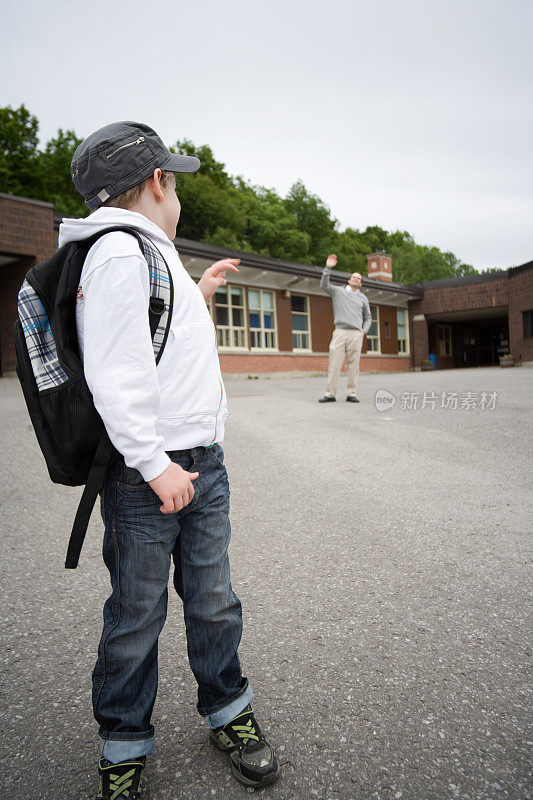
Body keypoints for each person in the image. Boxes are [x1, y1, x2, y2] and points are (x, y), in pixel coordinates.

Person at [60, 122, 279, 798]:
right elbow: (114, 374)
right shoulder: (121, 252)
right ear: (157, 182)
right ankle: (123, 742)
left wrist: (202, 294)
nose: (176, 192)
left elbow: (161, 345)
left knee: (213, 600)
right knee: (137, 614)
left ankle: (227, 708)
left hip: (200, 464)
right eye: (174, 182)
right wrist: (154, 465)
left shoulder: (151, 253)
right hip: (148, 473)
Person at [318, 253, 371, 403]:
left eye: (359, 279)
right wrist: (328, 268)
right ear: (349, 280)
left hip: (356, 334)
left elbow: (368, 317)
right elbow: (324, 286)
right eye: (354, 277)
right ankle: (330, 394)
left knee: (354, 366)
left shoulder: (363, 298)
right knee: (334, 364)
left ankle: (351, 393)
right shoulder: (338, 291)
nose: (357, 279)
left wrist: (363, 331)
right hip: (340, 332)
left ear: (360, 283)